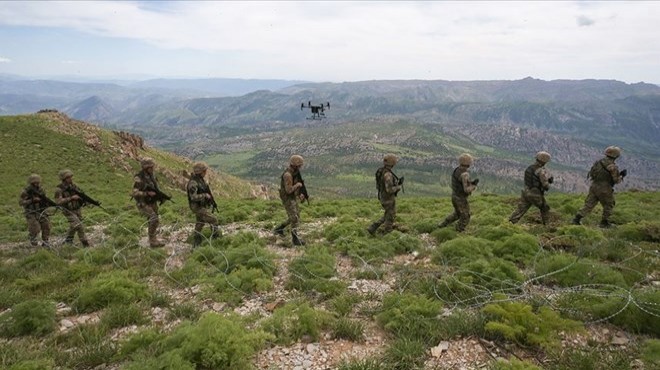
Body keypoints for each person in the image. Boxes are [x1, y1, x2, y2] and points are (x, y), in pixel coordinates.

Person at [572, 146, 627, 228]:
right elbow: (616, 181)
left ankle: (576, 219)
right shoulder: (612, 166)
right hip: (604, 188)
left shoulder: (599, 162)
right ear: (616, 156)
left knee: (589, 204)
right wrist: (622, 175)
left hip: (594, 186)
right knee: (609, 204)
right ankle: (604, 223)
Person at [509, 151, 553, 225]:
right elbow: (545, 186)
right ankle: (548, 227)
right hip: (535, 194)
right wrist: (549, 181)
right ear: (544, 161)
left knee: (520, 210)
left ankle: (509, 224)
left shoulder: (530, 168)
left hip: (526, 191)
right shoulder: (541, 171)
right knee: (545, 208)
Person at [438, 153, 478, 232]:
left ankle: (442, 225)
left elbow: (460, 183)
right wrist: (473, 186)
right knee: (465, 216)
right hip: (461, 198)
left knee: (457, 214)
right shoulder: (465, 174)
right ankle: (458, 231)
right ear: (469, 163)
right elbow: (466, 189)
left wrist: (470, 183)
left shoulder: (457, 170)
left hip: (455, 196)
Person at [132, 157, 166, 247]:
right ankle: (152, 241)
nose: (153, 168)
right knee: (154, 219)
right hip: (143, 203)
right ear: (146, 168)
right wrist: (146, 193)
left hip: (152, 202)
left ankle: (153, 238)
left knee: (154, 220)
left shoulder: (152, 176)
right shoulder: (139, 178)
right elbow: (134, 193)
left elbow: (156, 189)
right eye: (151, 167)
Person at [274, 155, 306, 246]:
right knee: (294, 218)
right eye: (299, 165)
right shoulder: (287, 175)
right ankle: (295, 239)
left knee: (295, 216)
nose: (300, 167)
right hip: (288, 198)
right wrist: (298, 185)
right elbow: (288, 190)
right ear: (295, 165)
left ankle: (279, 229)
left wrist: (300, 194)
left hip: (292, 197)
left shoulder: (294, 173)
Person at [367, 154, 403, 235]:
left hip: (383, 196)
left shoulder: (382, 171)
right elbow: (389, 190)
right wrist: (398, 187)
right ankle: (388, 232)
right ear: (392, 163)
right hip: (388, 198)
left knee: (388, 214)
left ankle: (373, 227)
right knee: (390, 215)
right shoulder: (388, 175)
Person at [187, 161, 220, 247]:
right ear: (200, 172)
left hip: (200, 205)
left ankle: (196, 242)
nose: (205, 173)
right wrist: (204, 195)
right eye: (204, 171)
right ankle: (215, 239)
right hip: (197, 206)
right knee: (214, 220)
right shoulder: (193, 183)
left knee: (200, 223)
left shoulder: (200, 181)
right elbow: (193, 197)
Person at [54, 169, 90, 247]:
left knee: (74, 225)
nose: (71, 179)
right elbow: (58, 202)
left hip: (77, 209)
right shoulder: (59, 189)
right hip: (68, 210)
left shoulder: (74, 186)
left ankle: (68, 240)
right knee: (78, 225)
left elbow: (81, 195)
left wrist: (87, 202)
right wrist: (71, 198)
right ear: (64, 179)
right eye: (68, 177)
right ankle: (85, 243)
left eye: (71, 177)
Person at [19, 174, 52, 247]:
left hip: (41, 211)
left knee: (46, 226)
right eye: (35, 183)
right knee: (35, 228)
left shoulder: (41, 190)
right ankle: (33, 239)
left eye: (38, 182)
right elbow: (21, 202)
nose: (37, 184)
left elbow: (44, 199)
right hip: (31, 212)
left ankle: (45, 241)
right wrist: (32, 200)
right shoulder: (26, 191)